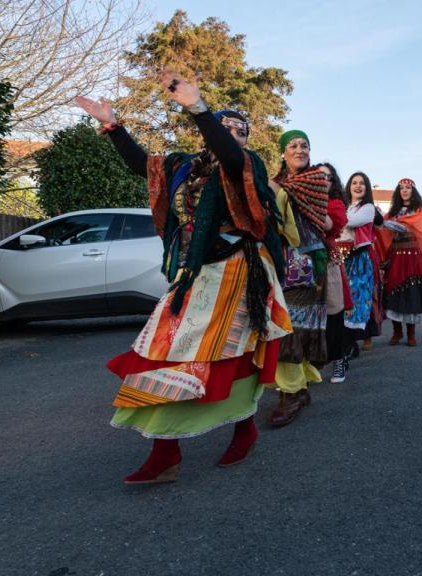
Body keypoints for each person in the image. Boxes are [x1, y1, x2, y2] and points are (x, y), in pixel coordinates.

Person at [75, 70, 291, 484]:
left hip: (238, 273)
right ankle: (166, 451)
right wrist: (113, 125)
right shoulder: (184, 166)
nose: (231, 134)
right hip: (193, 274)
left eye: (239, 130)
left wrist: (198, 107)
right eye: (225, 127)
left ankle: (243, 429)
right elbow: (143, 165)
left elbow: (228, 156)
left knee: (225, 354)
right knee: (163, 350)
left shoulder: (247, 164)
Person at [265, 130, 330, 427]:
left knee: (291, 326)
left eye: (305, 145)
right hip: (282, 259)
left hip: (308, 261)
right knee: (287, 324)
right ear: (282, 152)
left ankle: (290, 393)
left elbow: (325, 219)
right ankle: (298, 388)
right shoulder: (276, 183)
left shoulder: (316, 179)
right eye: (293, 145)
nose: (300, 149)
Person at [381, 178, 422, 346]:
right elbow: (382, 228)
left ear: (413, 191)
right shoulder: (393, 212)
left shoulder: (418, 211)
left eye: (408, 188)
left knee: (412, 292)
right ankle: (397, 331)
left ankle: (411, 333)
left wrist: (387, 223)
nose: (404, 190)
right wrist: (381, 222)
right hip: (395, 255)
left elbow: (405, 227)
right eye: (401, 188)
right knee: (392, 289)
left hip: (412, 256)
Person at [317, 162, 351, 384]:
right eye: (318, 177)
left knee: (333, 312)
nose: (323, 181)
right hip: (300, 262)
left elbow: (328, 224)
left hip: (328, 261)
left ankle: (339, 359)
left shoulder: (336, 204)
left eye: (327, 178)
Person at [341, 172, 380, 351]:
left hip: (359, 259)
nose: (358, 186)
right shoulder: (345, 206)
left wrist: (335, 216)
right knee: (340, 299)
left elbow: (351, 222)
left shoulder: (368, 208)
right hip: (341, 258)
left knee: (357, 299)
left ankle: (351, 342)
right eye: (354, 182)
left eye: (362, 183)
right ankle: (345, 343)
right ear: (349, 186)